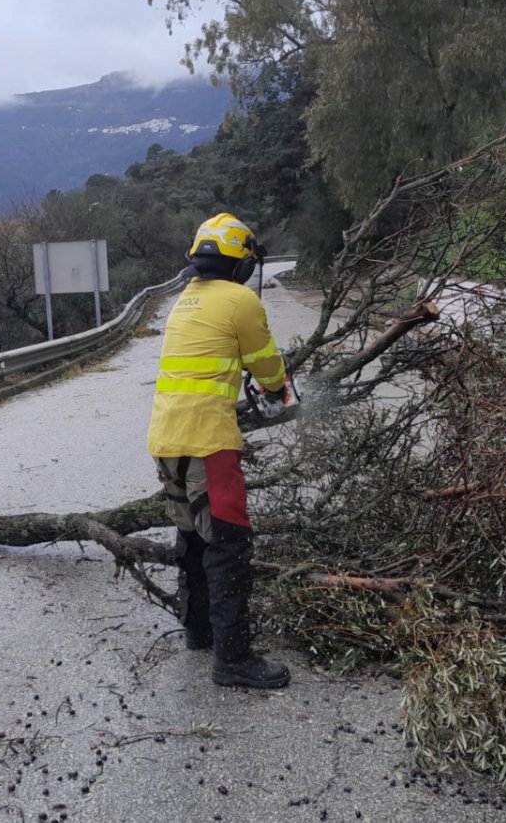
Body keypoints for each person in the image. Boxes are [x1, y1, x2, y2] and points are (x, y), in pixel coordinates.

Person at [147, 212, 291, 689]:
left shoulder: (183, 300)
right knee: (229, 545)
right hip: (209, 441)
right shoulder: (240, 299)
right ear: (241, 261)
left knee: (191, 539)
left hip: (167, 438)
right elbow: (267, 365)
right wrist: (277, 390)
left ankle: (199, 631)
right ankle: (233, 660)